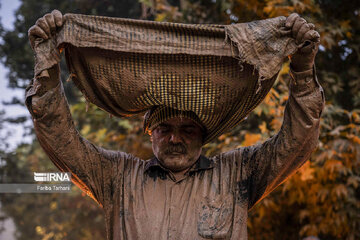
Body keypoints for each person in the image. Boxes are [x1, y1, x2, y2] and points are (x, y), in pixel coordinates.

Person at [26, 10, 324, 240]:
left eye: (188, 130)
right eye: (164, 129)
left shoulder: (237, 173)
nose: (174, 139)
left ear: (202, 136)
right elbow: (62, 140)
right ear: (151, 133)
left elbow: (298, 140)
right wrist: (47, 65)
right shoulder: (117, 177)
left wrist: (303, 69)